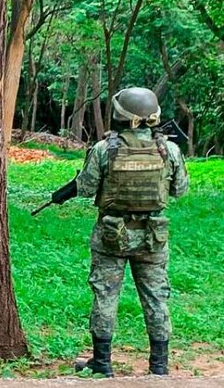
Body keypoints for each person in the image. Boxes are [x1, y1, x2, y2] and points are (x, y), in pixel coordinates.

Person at [71, 87, 188, 377]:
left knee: (105, 296)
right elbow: (180, 190)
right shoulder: (169, 150)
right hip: (152, 237)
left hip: (111, 236)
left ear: (120, 115)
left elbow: (85, 188)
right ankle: (159, 367)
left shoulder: (104, 149)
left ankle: (102, 363)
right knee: (156, 298)